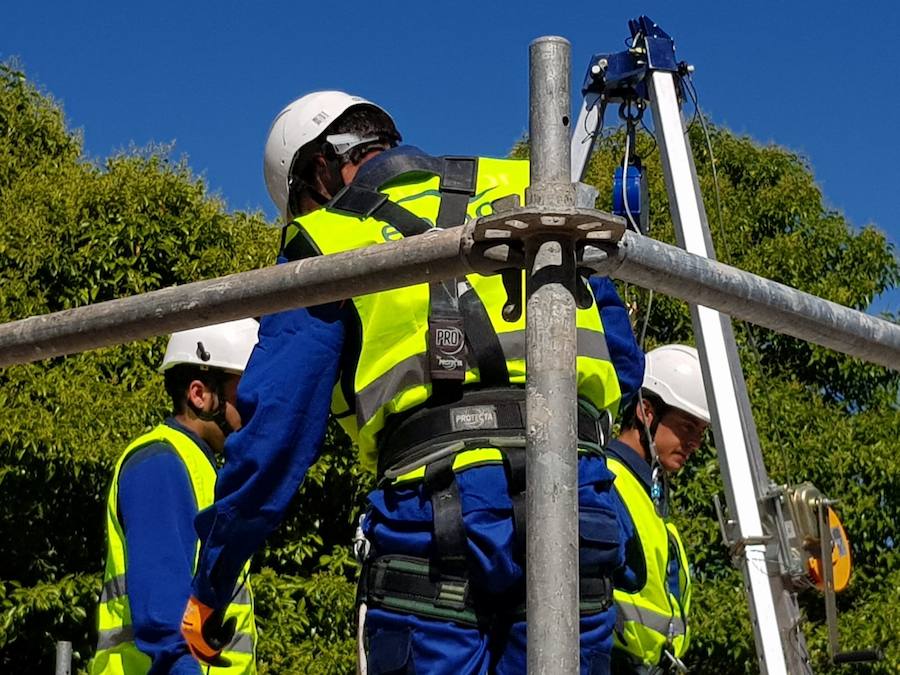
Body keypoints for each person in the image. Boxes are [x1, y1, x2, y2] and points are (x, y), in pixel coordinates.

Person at [181, 91, 645, 674]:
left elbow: (277, 428)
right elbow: (622, 361)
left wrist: (215, 576)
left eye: (298, 206)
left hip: (434, 520)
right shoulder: (530, 190)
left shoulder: (327, 239)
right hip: (576, 503)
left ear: (320, 170)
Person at [92, 319, 259, 675]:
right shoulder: (160, 464)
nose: (254, 402)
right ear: (199, 394)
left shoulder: (200, 468)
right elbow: (164, 619)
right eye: (244, 388)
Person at [607, 345, 710, 674]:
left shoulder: (648, 492)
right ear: (646, 412)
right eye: (687, 427)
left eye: (701, 433)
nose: (695, 443)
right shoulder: (606, 480)